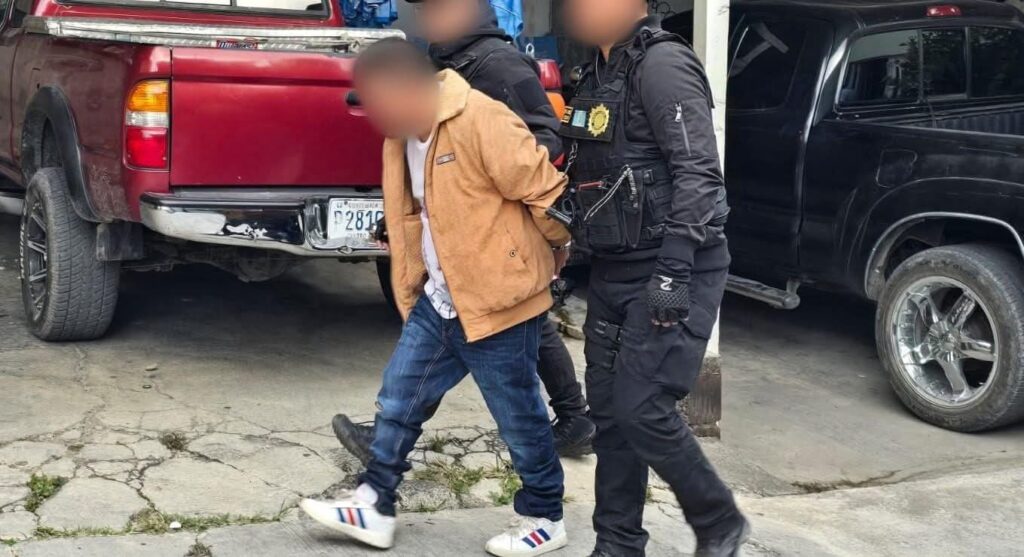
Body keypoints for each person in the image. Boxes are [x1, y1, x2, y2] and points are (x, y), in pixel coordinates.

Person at [301, 38, 571, 557]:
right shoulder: (402, 137)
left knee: (519, 418)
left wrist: (553, 255)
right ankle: (375, 505)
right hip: (442, 298)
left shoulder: (481, 119)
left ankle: (545, 517)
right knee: (399, 399)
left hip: (499, 301)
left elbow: (545, 193)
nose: (374, 115)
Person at [332, 0, 596, 462]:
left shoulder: (500, 64)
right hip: (459, 233)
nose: (427, 19)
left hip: (499, 230)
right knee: (482, 326)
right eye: (425, 11)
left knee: (479, 329)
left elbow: (545, 138)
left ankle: (568, 424)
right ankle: (574, 419)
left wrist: (485, 172)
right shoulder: (442, 62)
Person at [559, 2, 750, 556]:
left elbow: (699, 173)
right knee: (609, 414)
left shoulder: (662, 64)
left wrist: (673, 271)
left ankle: (718, 520)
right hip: (613, 267)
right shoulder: (597, 72)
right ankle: (617, 545)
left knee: (642, 407)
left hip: (669, 265)